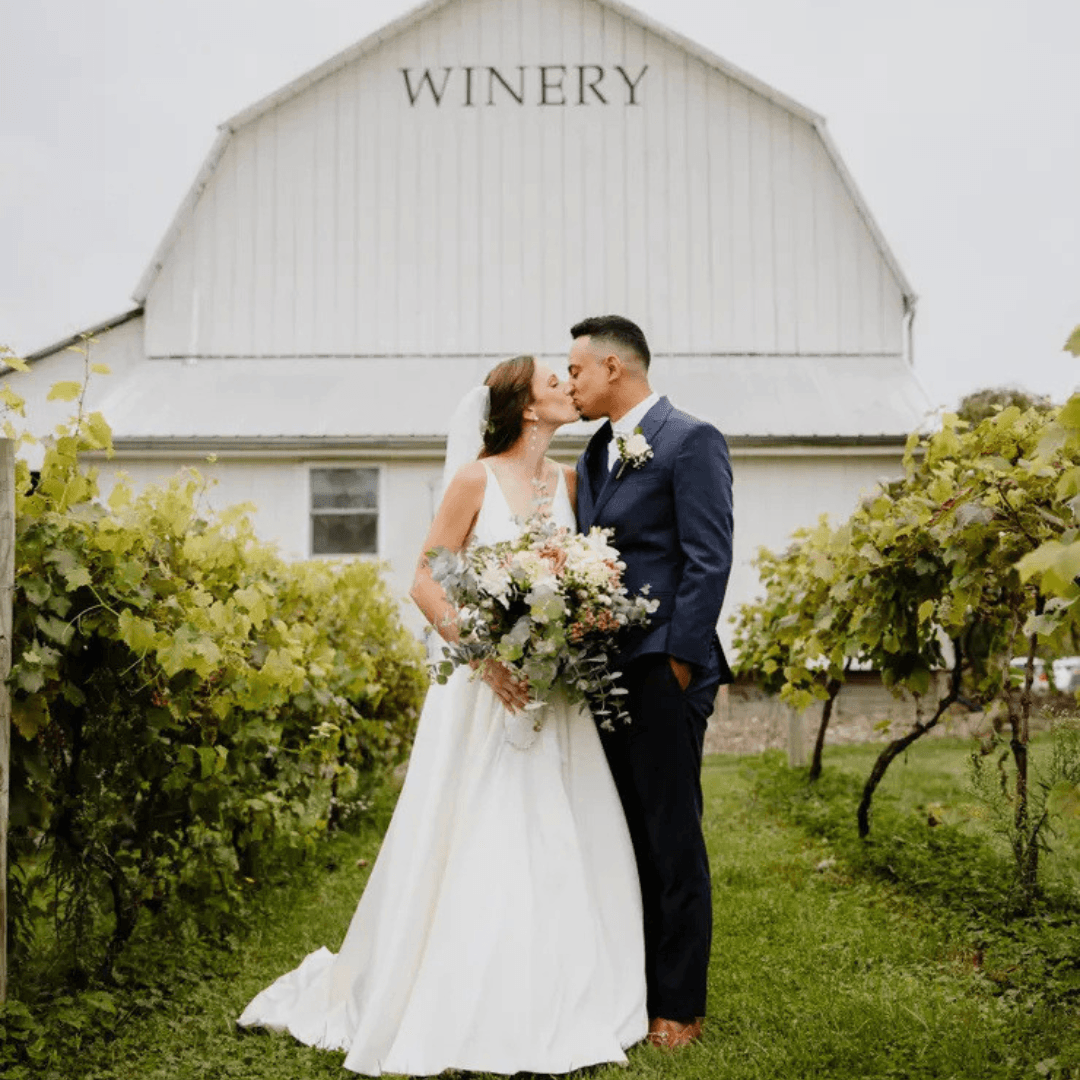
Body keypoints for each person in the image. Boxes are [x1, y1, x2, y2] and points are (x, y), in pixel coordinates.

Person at [237, 355, 648, 1076]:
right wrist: (487, 657)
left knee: (562, 826)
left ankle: (562, 990)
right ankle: (466, 994)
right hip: (484, 687)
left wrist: (575, 622)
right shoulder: (474, 480)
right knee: (481, 826)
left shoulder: (575, 482)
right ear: (526, 407)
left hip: (550, 686)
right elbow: (425, 581)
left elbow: (580, 572)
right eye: (555, 381)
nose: (567, 388)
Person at [567, 315, 734, 1050]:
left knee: (672, 835)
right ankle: (632, 988)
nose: (568, 383)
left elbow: (709, 557)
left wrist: (678, 659)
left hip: (663, 666)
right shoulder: (594, 452)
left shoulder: (691, 440)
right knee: (625, 831)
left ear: (613, 367)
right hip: (604, 671)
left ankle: (680, 1004)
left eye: (575, 370)